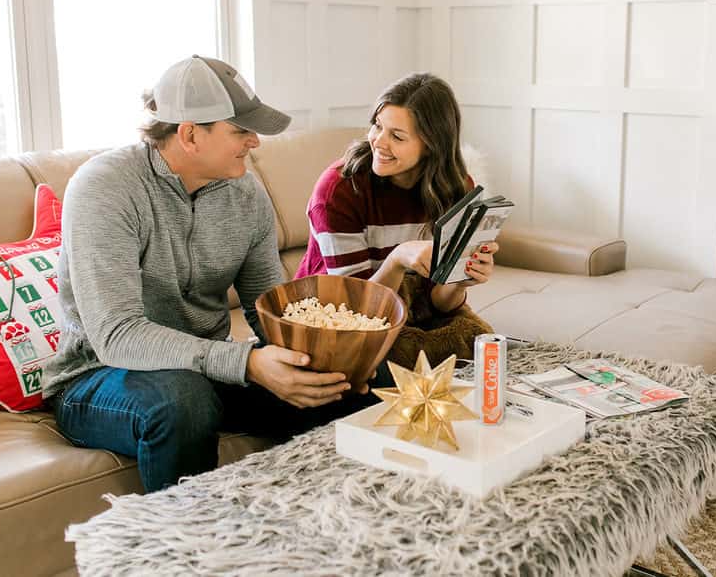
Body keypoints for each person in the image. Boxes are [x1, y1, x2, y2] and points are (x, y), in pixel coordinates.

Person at [42, 55, 372, 493]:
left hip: (203, 368)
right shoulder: (105, 189)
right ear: (190, 134)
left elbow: (268, 309)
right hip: (99, 375)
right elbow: (117, 335)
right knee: (184, 401)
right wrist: (247, 363)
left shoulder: (246, 194)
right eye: (239, 130)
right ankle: (191, 551)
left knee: (351, 383)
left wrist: (330, 359)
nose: (254, 141)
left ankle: (327, 526)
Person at [296, 73, 498, 362]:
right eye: (378, 126)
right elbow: (357, 311)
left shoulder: (457, 190)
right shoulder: (339, 190)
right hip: (335, 312)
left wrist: (461, 279)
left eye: (397, 136)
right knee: (389, 360)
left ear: (431, 145)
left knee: (485, 349)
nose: (379, 142)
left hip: (412, 310)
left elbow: (439, 304)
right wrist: (397, 259)